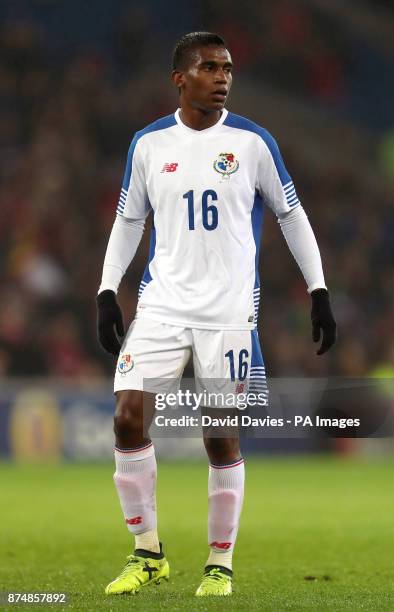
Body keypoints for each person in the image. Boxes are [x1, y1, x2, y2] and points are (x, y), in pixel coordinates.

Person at [96, 31, 336, 597]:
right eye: (210, 67)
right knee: (128, 417)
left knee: (219, 437)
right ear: (180, 78)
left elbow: (291, 216)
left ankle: (219, 564)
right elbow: (129, 221)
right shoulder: (149, 144)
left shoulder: (252, 143)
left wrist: (318, 290)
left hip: (228, 313)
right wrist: (108, 290)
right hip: (161, 305)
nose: (223, 77)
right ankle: (147, 553)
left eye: (227, 68)